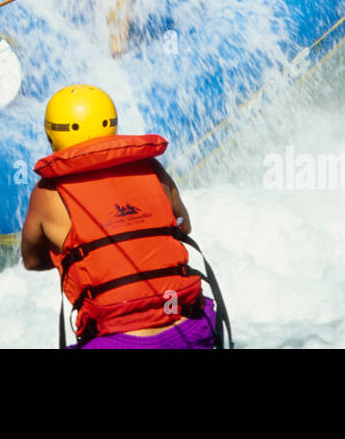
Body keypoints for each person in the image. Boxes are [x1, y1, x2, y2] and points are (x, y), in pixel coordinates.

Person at [21, 84, 226, 348]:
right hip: (192, 327)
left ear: (52, 135)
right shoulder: (152, 168)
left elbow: (32, 260)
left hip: (115, 342)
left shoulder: (47, 191)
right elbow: (183, 226)